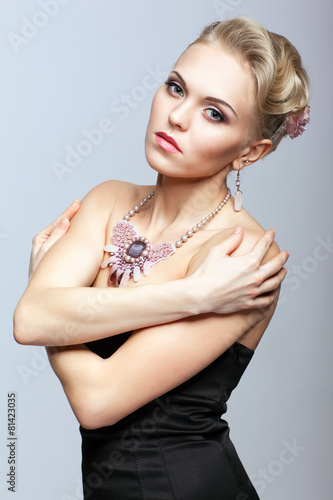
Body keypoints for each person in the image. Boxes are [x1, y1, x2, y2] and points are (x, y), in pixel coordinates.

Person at [13, 16, 309, 500]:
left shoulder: (244, 256)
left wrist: (53, 313)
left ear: (250, 152)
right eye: (176, 88)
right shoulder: (109, 201)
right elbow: (29, 320)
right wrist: (191, 294)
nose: (177, 116)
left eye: (215, 113)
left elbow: (96, 400)